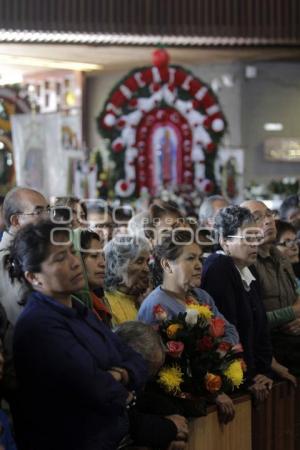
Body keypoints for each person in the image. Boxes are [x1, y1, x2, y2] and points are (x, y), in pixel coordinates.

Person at [10, 220, 148, 450]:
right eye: (60, 258)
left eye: (72, 252)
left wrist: (120, 374)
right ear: (34, 278)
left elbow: (136, 360)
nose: (75, 263)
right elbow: (94, 387)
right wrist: (121, 383)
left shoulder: (80, 310)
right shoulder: (39, 325)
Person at [138, 229, 239, 423]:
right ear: (167, 264)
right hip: (177, 402)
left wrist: (218, 351)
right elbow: (170, 365)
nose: (199, 265)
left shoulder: (201, 296)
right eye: (190, 259)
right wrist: (212, 391)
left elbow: (231, 330)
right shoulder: (157, 307)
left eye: (200, 259)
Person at [201, 206, 294, 401]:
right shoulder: (220, 269)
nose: (255, 244)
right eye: (248, 238)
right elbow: (229, 333)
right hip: (233, 378)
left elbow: (259, 331)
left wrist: (264, 371)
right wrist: (249, 377)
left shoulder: (246, 270)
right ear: (225, 241)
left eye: (256, 237)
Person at [242, 200, 300, 375]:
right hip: (269, 346)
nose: (268, 221)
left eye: (269, 214)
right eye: (257, 217)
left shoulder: (280, 257)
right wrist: (293, 313)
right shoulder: (246, 263)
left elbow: (296, 295)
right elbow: (251, 321)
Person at [116, 321, 189, 450]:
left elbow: (143, 400)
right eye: (146, 375)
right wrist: (170, 427)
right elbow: (129, 422)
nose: (143, 385)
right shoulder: (111, 378)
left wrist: (171, 416)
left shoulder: (133, 378)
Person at [104, 234, 150, 326]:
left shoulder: (143, 298)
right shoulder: (106, 304)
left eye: (147, 261)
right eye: (139, 261)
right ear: (118, 265)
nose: (147, 269)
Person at [77, 229, 111, 324]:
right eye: (94, 256)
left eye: (103, 257)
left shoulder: (98, 303)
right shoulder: (72, 307)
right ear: (77, 258)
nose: (103, 263)